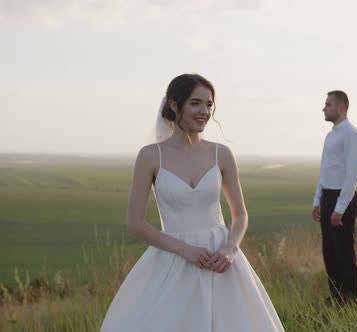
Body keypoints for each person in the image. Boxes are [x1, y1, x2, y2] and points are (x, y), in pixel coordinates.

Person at [100, 73, 284, 331]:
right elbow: (135, 223)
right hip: (174, 257)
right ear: (175, 105)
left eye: (209, 104)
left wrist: (230, 250)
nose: (205, 111)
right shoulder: (151, 156)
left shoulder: (221, 154)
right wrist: (184, 250)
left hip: (220, 260)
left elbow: (240, 214)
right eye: (195, 103)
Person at [312, 90, 357, 304]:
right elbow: (325, 171)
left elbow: (352, 176)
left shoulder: (353, 136)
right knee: (330, 252)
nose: (323, 108)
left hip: (343, 198)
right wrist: (317, 200)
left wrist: (340, 208)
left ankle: (350, 301)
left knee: (344, 252)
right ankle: (336, 297)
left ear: (341, 107)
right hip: (327, 197)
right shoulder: (331, 135)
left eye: (328, 104)